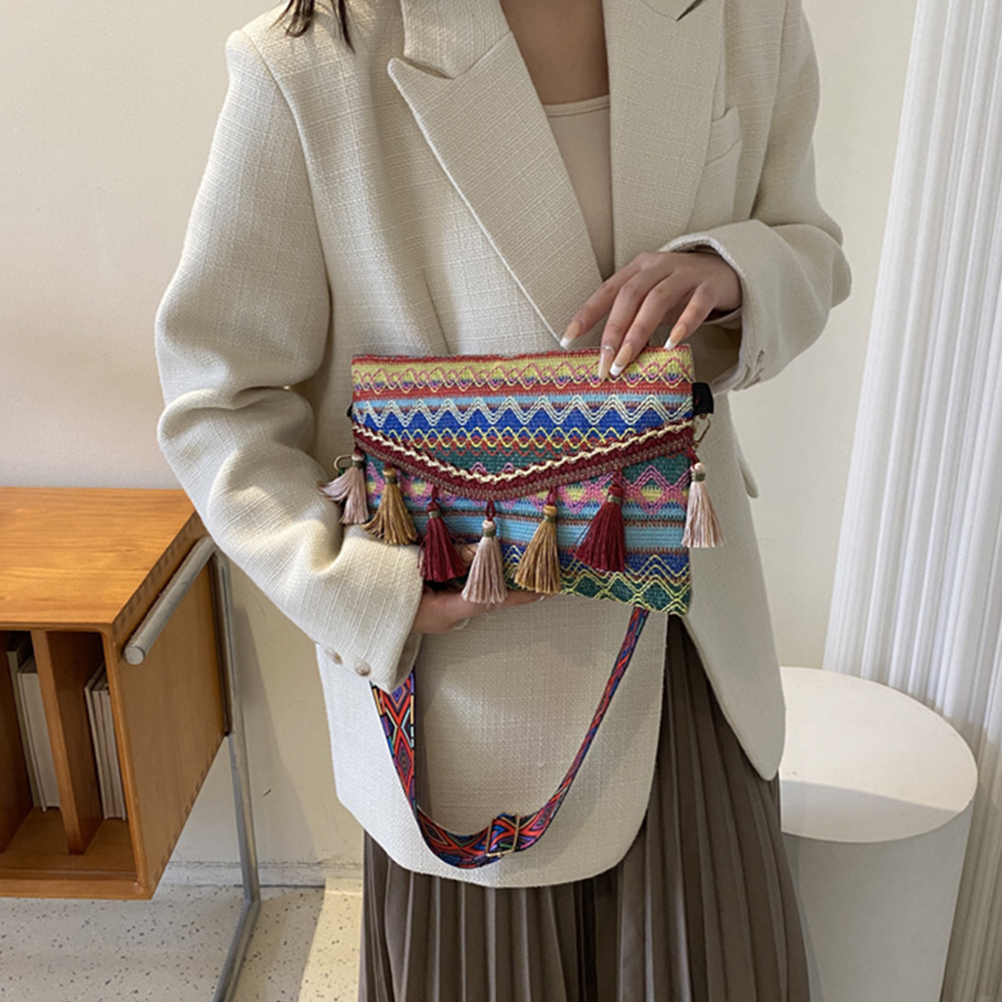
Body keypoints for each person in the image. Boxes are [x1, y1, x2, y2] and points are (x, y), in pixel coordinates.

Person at [155, 0, 851, 998]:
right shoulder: (312, 66)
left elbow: (809, 245)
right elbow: (218, 403)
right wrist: (364, 588)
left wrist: (733, 271)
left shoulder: (743, 14)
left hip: (691, 657)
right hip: (470, 696)